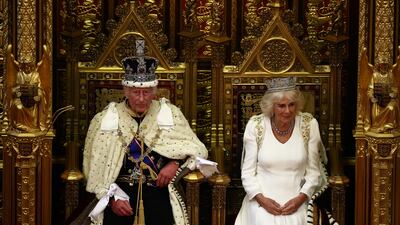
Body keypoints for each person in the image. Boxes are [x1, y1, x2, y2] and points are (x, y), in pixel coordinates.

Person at [83, 39, 208, 225]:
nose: (142, 99)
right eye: (135, 92)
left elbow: (198, 150)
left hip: (159, 194)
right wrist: (111, 198)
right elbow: (92, 168)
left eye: (147, 92)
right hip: (119, 197)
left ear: (155, 91)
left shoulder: (170, 114)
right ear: (125, 91)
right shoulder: (105, 119)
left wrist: (175, 163)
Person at [234, 77, 328, 225]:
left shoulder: (309, 125)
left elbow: (314, 173)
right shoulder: (256, 126)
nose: (287, 110)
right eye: (281, 106)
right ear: (271, 106)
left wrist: (300, 199)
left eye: (291, 105)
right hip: (261, 200)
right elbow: (247, 173)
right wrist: (262, 200)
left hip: (298, 200)